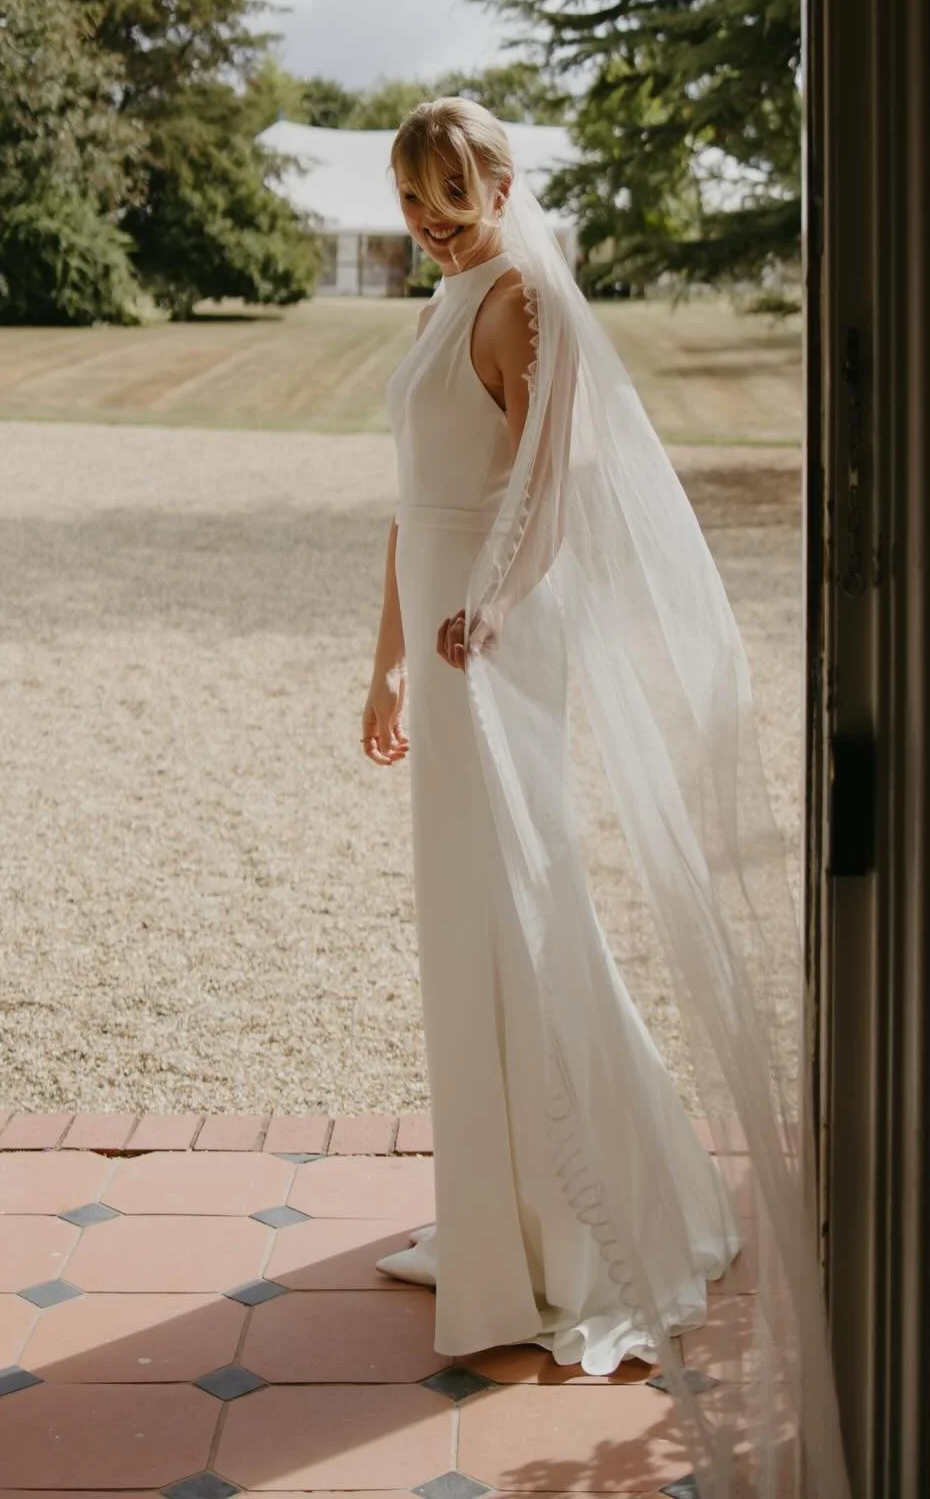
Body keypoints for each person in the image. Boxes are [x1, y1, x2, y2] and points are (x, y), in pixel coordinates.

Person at [361, 100, 851, 1496]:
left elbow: (549, 485)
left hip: (498, 638)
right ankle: (498, 1216)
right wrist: (385, 660)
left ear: (501, 182)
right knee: (463, 923)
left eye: (451, 193)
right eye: (413, 196)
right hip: (440, 632)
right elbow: (411, 499)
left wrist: (489, 613)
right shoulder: (442, 302)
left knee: (524, 914)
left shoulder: (523, 299)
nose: (431, 219)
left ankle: (584, 1223)